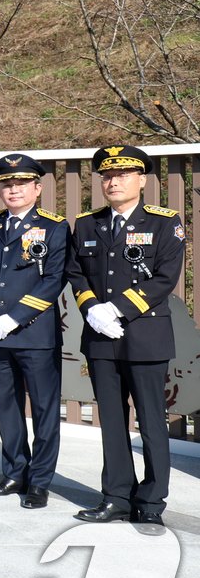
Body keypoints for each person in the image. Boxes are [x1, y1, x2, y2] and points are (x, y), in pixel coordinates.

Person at [67, 146, 184, 529]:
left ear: (141, 180)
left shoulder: (165, 222)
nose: (113, 181)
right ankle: (116, 495)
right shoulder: (87, 223)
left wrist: (116, 308)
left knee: (151, 421)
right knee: (112, 422)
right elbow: (76, 273)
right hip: (101, 337)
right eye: (106, 176)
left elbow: (166, 277)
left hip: (145, 335)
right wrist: (92, 309)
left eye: (122, 175)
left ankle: (151, 500)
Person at [0, 153, 69, 509]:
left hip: (34, 334)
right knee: (7, 408)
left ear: (37, 188)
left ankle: (39, 481)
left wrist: (15, 317)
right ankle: (14, 473)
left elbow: (53, 279)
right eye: (7, 184)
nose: (13, 190)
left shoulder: (55, 227)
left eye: (21, 183)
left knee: (43, 409)